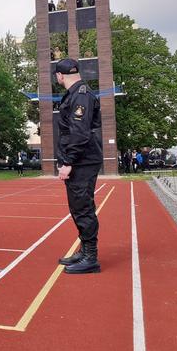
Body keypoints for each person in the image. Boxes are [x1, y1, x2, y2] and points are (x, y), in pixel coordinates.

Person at [54, 58, 103, 274]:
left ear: (59, 76)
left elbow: (79, 133)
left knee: (82, 207)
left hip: (82, 160)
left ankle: (91, 257)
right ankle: (85, 250)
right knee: (78, 206)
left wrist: (68, 162)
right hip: (81, 158)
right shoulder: (77, 93)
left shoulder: (80, 95)